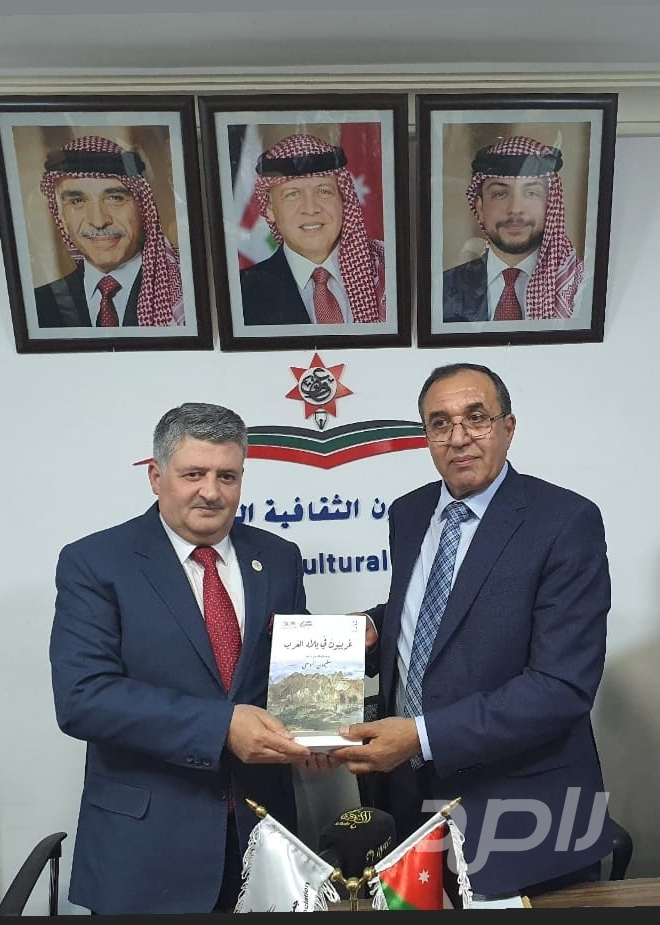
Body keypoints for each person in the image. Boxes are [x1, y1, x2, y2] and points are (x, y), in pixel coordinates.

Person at [331, 362, 613, 902]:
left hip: (520, 811)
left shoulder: (565, 520)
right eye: (440, 423)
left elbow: (562, 687)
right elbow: (440, 606)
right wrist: (372, 626)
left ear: (508, 427)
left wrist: (421, 736)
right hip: (405, 799)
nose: (458, 437)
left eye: (476, 418)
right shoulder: (409, 512)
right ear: (426, 436)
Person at [49, 402, 315, 914]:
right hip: (146, 851)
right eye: (193, 474)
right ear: (156, 477)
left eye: (226, 476)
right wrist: (222, 726)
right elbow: (83, 698)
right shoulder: (95, 562)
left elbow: (292, 674)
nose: (211, 491)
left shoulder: (279, 557)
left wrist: (317, 730)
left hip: (264, 840)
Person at [35, 134, 184, 328]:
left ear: (143, 208)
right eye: (77, 201)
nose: (98, 221)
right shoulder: (40, 305)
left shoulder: (183, 293)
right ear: (61, 216)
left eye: (115, 198)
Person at [240, 132, 385, 325]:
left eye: (324, 191)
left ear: (343, 200)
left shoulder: (388, 269)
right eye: (292, 194)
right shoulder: (242, 292)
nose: (311, 208)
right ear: (271, 210)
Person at [443, 136, 584, 322]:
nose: (515, 209)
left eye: (531, 193)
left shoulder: (579, 287)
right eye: (500, 194)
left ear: (550, 206)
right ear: (480, 208)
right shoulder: (442, 289)